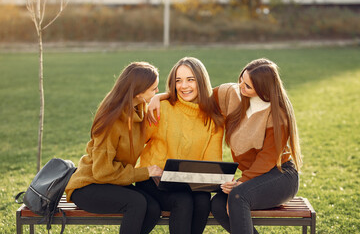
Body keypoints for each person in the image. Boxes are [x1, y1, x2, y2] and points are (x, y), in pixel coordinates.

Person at [65, 62, 163, 234]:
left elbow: (166, 96)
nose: (157, 91)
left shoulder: (138, 108)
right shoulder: (110, 121)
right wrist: (145, 172)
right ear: (139, 92)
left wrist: (159, 97)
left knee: (153, 208)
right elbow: (102, 171)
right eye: (154, 89)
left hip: (113, 182)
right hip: (88, 186)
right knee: (137, 203)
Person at [210, 58, 302, 234]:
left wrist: (241, 182)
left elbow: (268, 158)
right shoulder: (233, 93)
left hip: (281, 176)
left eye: (248, 86)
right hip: (253, 178)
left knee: (238, 196)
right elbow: (201, 95)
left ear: (263, 89)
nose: (241, 87)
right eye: (241, 80)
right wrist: (160, 97)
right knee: (218, 204)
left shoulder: (277, 114)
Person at [136, 57, 224, 234]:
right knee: (183, 201)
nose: (184, 86)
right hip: (154, 179)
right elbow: (135, 142)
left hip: (191, 182)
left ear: (201, 81)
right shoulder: (161, 108)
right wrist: (156, 99)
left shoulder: (213, 119)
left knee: (202, 201)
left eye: (190, 80)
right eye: (178, 80)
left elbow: (212, 163)